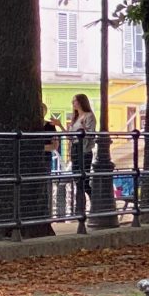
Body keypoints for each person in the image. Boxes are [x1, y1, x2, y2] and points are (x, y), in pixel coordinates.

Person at [69, 92, 97, 226]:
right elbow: (71, 136)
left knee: (83, 181)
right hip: (75, 149)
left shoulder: (89, 116)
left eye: (75, 101)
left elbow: (90, 134)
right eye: (73, 101)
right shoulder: (75, 117)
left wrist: (84, 128)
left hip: (84, 150)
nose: (73, 103)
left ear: (81, 102)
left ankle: (88, 208)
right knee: (77, 180)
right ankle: (80, 210)